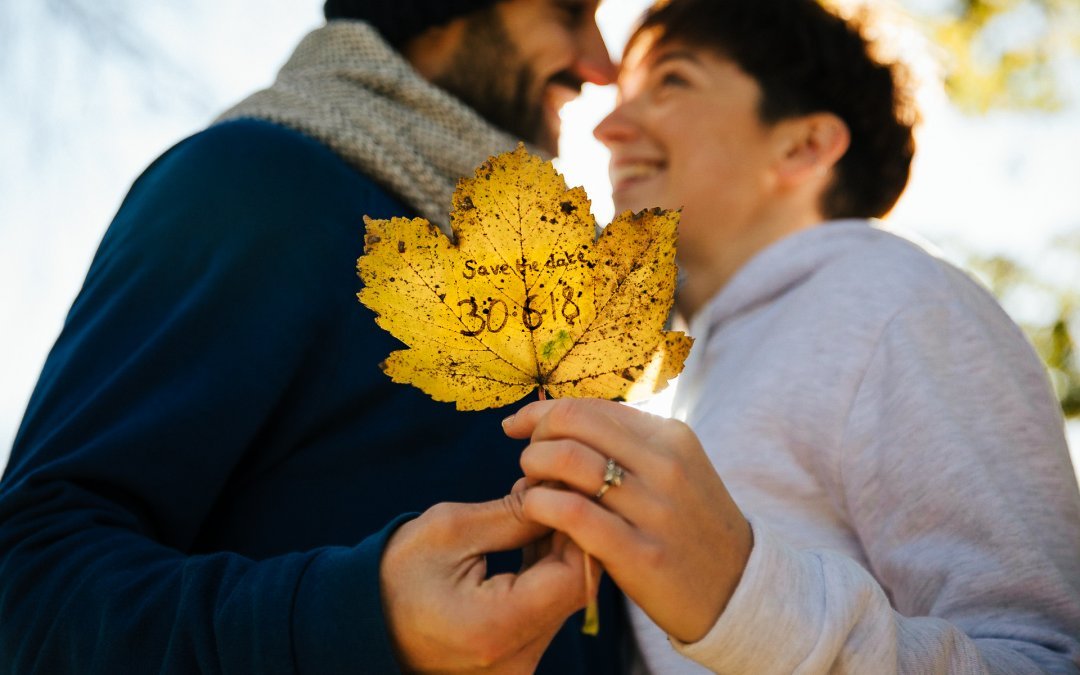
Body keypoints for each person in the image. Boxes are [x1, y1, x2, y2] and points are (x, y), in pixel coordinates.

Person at [0, 1, 624, 673]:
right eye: (567, 12)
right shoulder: (257, 184)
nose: (603, 66)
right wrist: (359, 619)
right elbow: (28, 589)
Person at [504, 0, 1080, 672]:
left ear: (804, 146)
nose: (607, 127)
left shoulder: (897, 303)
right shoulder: (679, 372)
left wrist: (743, 600)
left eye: (672, 82)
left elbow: (1049, 656)